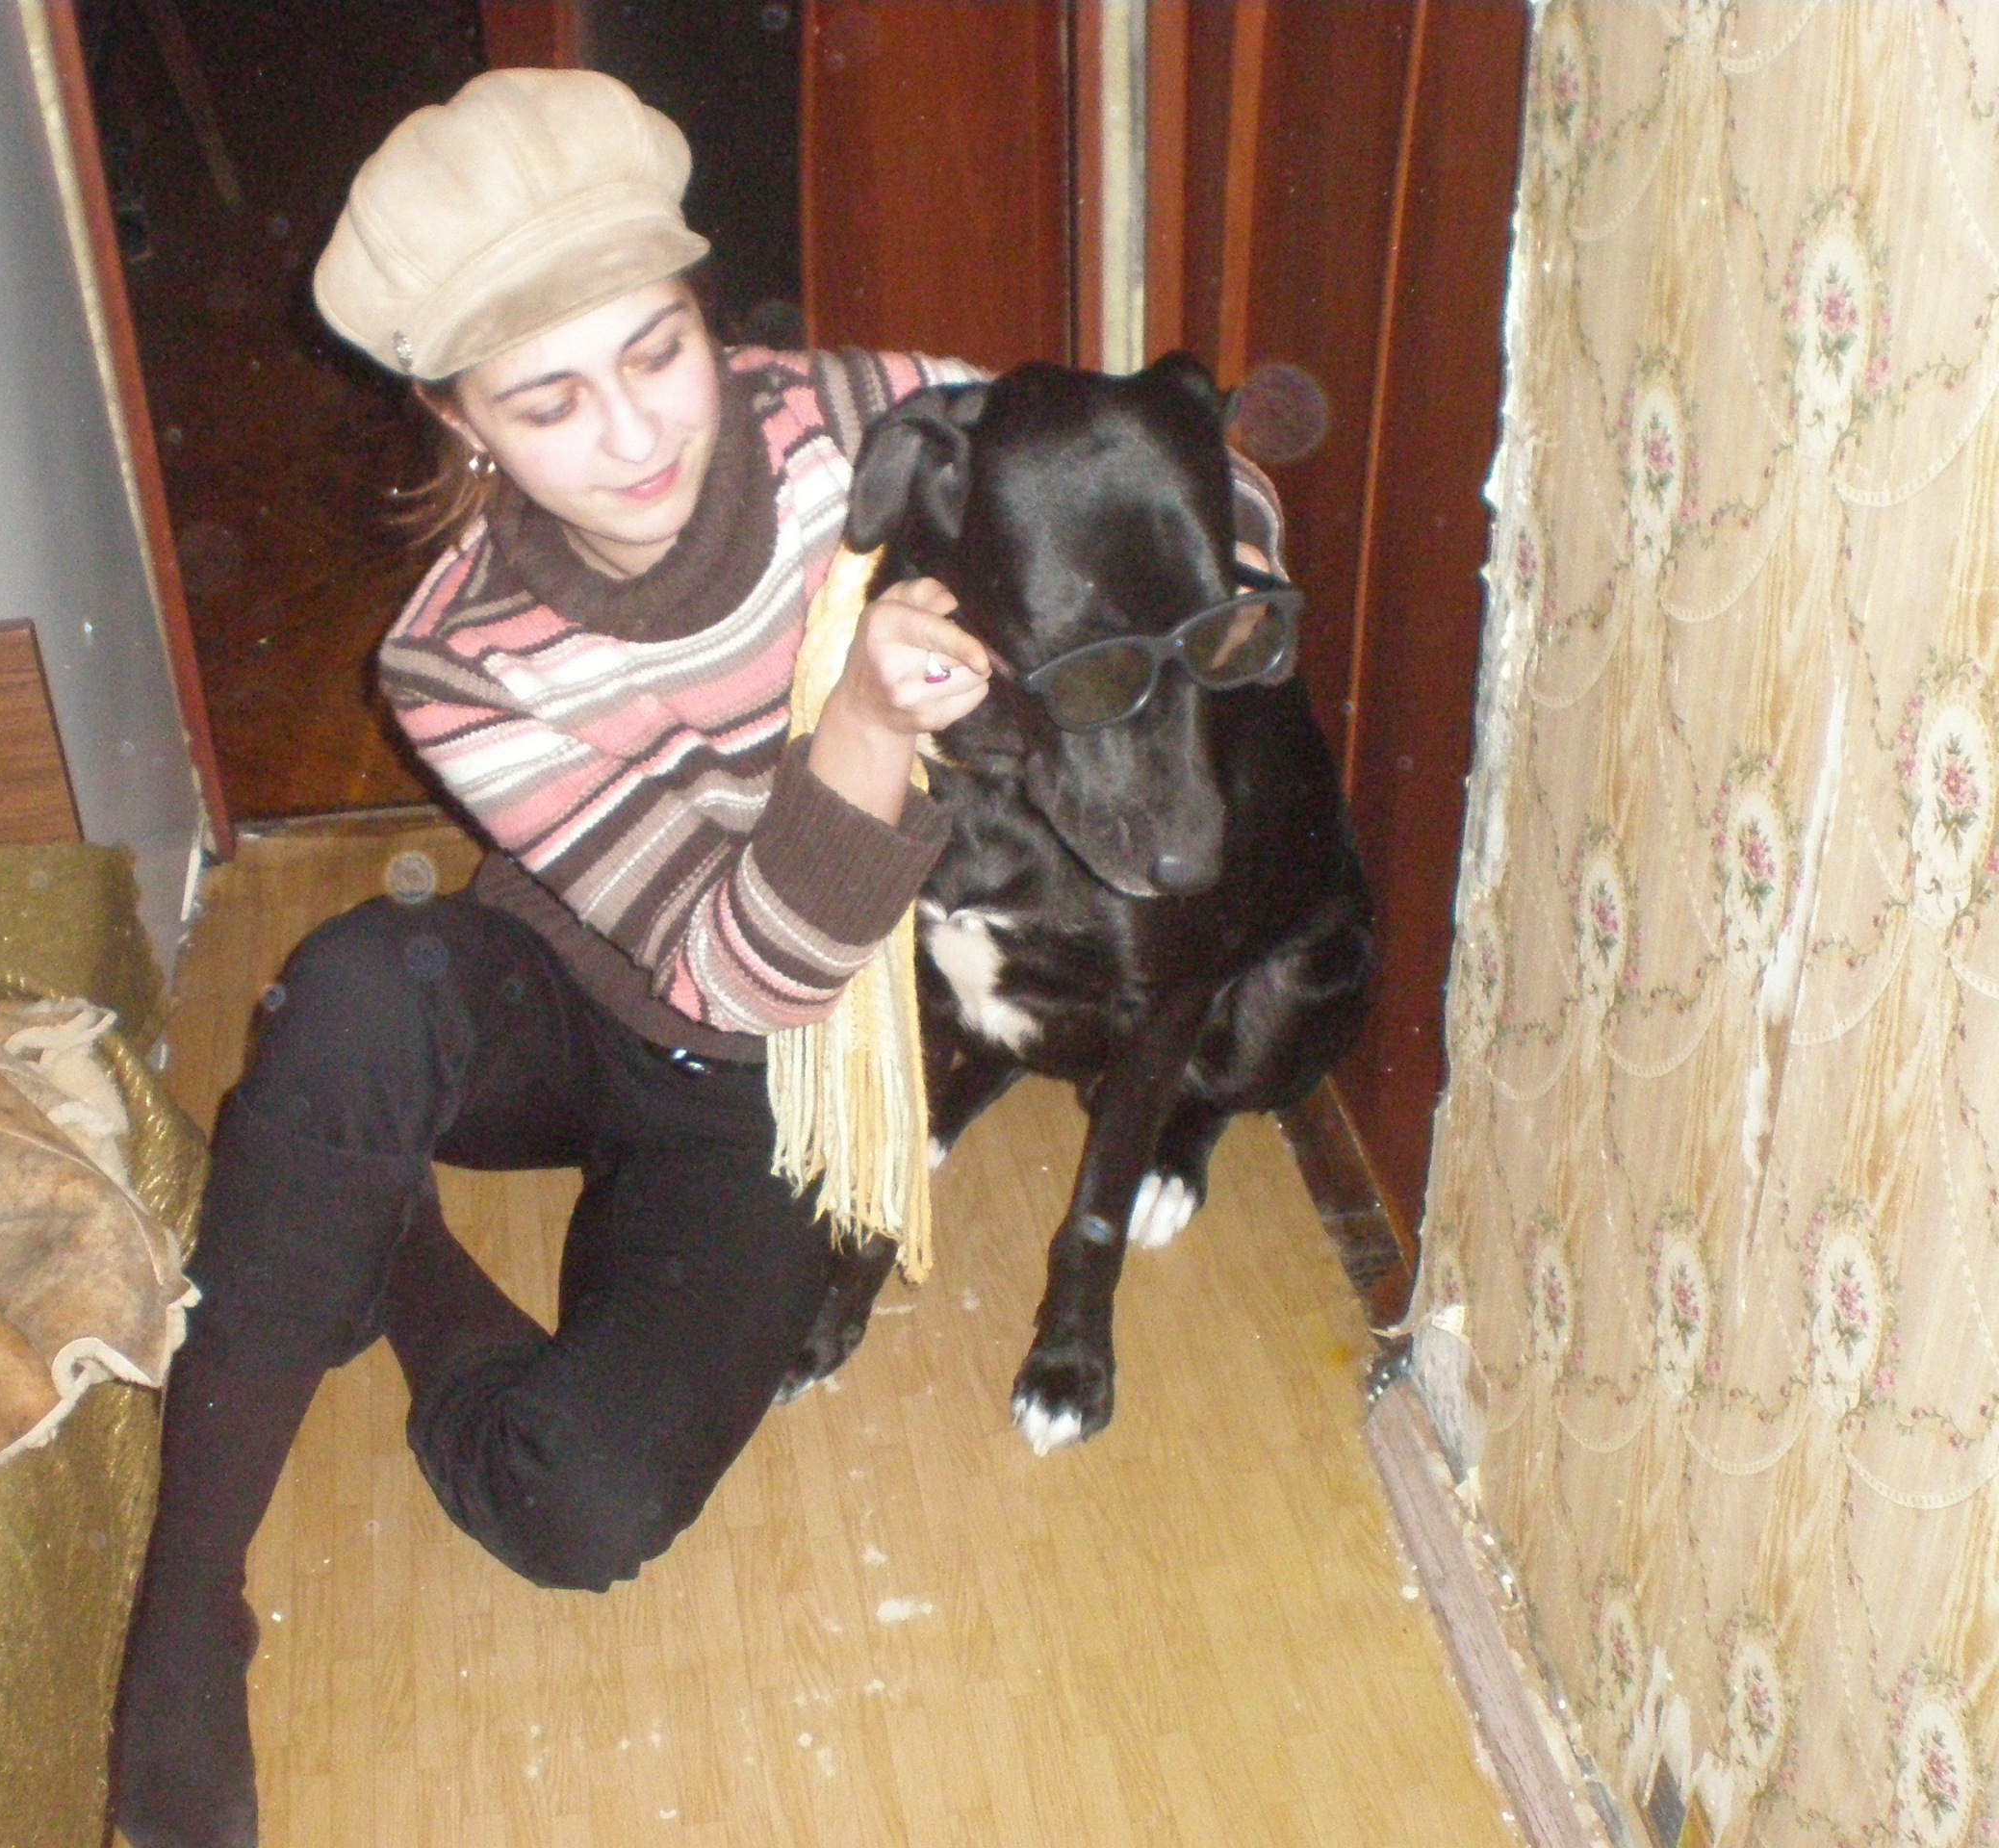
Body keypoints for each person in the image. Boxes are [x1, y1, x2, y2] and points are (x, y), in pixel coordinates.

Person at [110, 66, 1285, 1848]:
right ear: (458, 418)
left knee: (578, 1514)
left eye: (657, 353)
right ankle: (184, 1615)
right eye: (549, 401)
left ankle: (387, 1240)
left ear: (706, 311)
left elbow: (1194, 468)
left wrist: (1191, 584)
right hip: (600, 1003)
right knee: (354, 997)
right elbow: (736, 965)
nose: (637, 437)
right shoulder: (458, 658)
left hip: (789, 1097)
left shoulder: (871, 418)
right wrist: (867, 725)